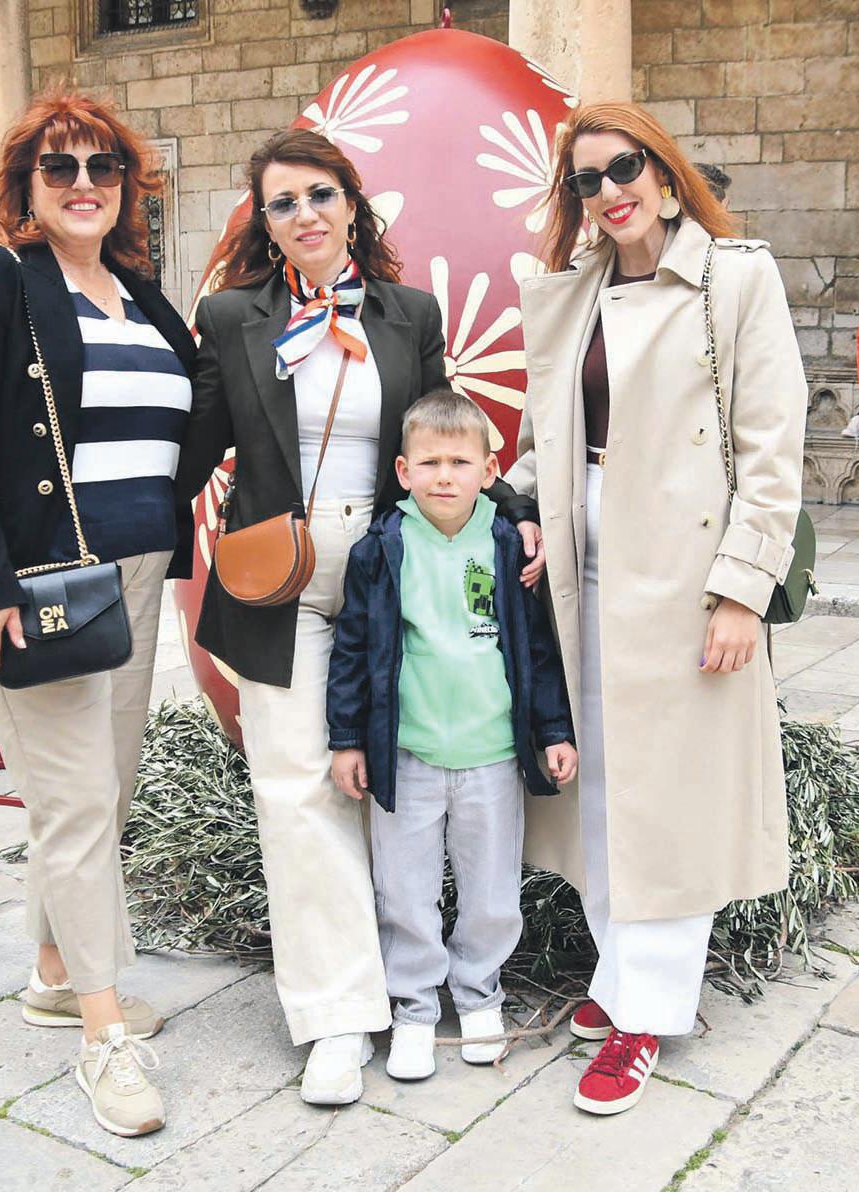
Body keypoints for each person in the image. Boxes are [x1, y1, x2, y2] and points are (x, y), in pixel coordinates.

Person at [178, 129, 535, 1106]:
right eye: (282, 201)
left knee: (394, 777)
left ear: (350, 203)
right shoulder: (231, 317)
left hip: (390, 575)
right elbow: (192, 445)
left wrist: (515, 512)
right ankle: (338, 1016)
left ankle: (422, 983)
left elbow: (446, 434)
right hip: (278, 577)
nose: (304, 214)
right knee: (300, 791)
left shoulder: (408, 313)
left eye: (320, 194)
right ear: (266, 222)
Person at [0, 92, 200, 1138]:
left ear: (127, 185)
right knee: (75, 802)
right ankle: (104, 1035)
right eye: (59, 166)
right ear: (25, 183)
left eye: (102, 167)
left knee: (102, 792)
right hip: (37, 582)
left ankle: (55, 975)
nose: (83, 184)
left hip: (138, 574)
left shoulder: (138, 292)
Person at [505, 102, 807, 1116]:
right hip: (582, 562)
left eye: (624, 167)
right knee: (596, 781)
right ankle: (617, 973)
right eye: (585, 180)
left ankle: (649, 1013)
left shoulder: (736, 277)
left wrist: (741, 592)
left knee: (669, 794)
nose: (608, 192)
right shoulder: (577, 289)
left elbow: (771, 448)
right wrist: (519, 510)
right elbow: (548, 435)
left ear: (666, 174)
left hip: (685, 573)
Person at [327, 390, 577, 1081]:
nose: (445, 476)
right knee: (405, 892)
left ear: (489, 470)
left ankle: (478, 995)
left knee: (491, 892)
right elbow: (352, 650)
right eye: (430, 462)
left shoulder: (507, 545)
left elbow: (536, 649)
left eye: (461, 462)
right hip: (408, 755)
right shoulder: (381, 549)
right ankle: (412, 1007)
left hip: (491, 755)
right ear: (403, 471)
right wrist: (348, 739)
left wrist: (553, 729)